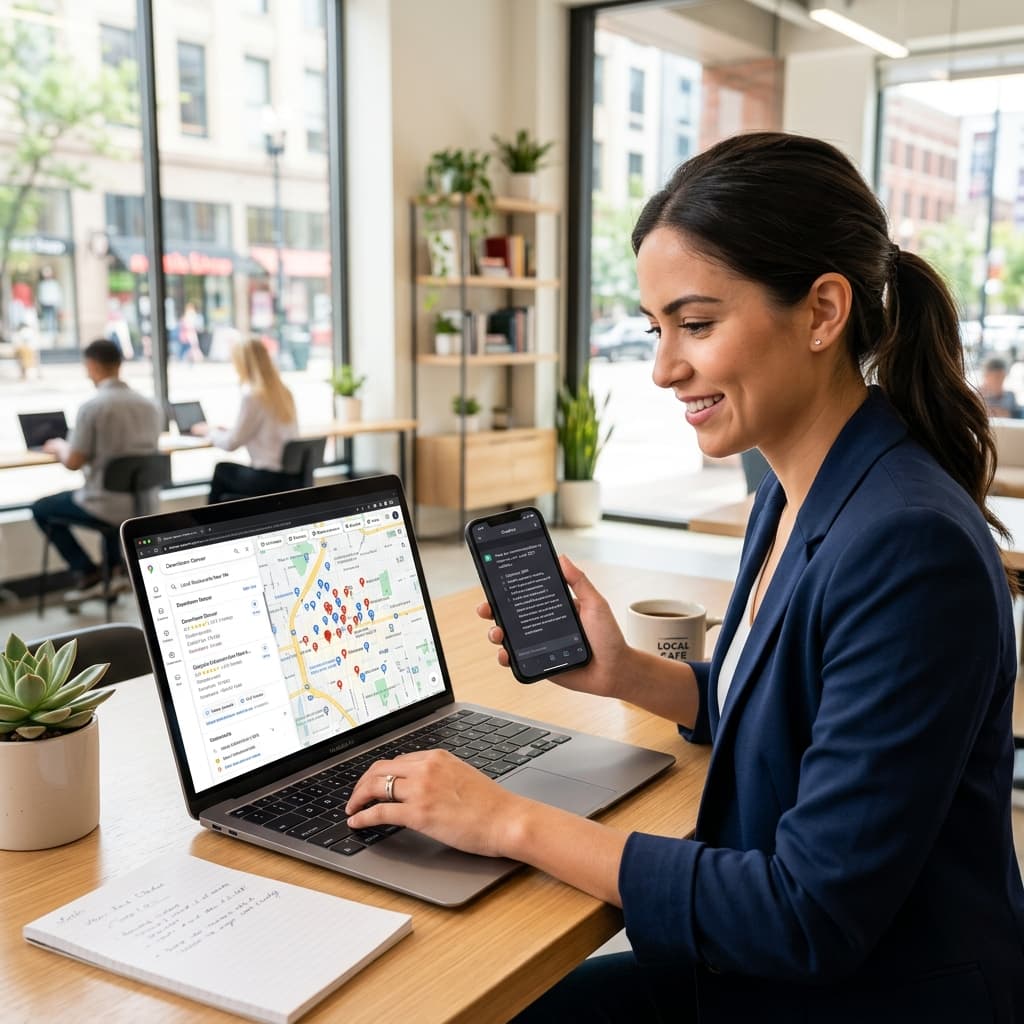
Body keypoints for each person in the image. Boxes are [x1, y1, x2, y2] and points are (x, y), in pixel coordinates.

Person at [343, 133, 1024, 1022]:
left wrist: (507, 820)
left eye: (696, 325)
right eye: (658, 328)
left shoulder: (908, 547)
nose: (664, 368)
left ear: (823, 312)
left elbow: (806, 914)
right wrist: (626, 674)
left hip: (868, 994)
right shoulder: (794, 491)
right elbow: (791, 712)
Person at [31, 338, 161, 601]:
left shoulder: (93, 407)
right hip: (144, 503)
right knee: (110, 513)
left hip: (105, 505)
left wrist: (58, 446)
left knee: (41, 508)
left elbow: (73, 462)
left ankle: (87, 571)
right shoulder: (150, 405)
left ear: (91, 365)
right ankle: (113, 571)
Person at [191, 338, 298, 503]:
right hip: (291, 479)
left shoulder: (254, 396)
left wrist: (209, 432)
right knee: (227, 491)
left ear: (244, 364)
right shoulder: (284, 392)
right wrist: (228, 431)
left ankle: (208, 527)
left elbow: (231, 444)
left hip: (268, 479)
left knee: (222, 470)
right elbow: (262, 432)